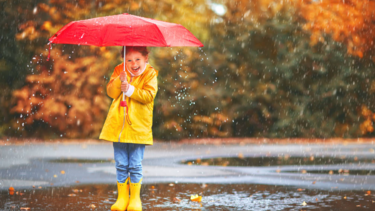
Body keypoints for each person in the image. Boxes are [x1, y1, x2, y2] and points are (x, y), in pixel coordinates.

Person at [99, 46, 158, 211]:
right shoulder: (119, 70)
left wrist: (130, 90)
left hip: (138, 127)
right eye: (129, 60)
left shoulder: (150, 74)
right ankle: (122, 197)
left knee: (135, 164)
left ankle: (135, 199)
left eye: (137, 59)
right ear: (124, 60)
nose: (133, 64)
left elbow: (148, 96)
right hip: (119, 126)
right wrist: (119, 80)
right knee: (121, 163)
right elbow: (111, 92)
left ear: (146, 58)